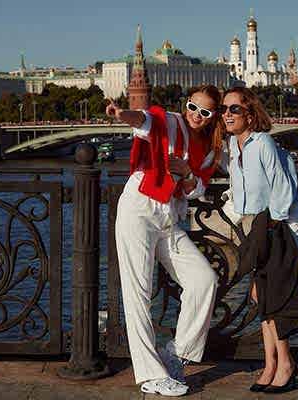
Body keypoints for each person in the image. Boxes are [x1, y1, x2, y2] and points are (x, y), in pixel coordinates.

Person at [106, 85, 223, 397]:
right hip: (140, 209)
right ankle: (150, 374)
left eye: (204, 112)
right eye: (192, 107)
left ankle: (176, 354)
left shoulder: (209, 148)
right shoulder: (170, 121)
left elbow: (197, 189)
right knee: (139, 293)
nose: (196, 115)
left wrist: (186, 172)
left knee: (203, 281)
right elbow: (145, 121)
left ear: (213, 116)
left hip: (168, 218)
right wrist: (122, 114)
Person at [220, 87, 298, 394]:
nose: (227, 114)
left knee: (273, 296)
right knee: (261, 296)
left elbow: (282, 188)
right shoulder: (234, 146)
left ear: (250, 114)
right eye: (224, 109)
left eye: (234, 109)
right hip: (255, 226)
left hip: (277, 225)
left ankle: (285, 364)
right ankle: (271, 364)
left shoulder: (263, 142)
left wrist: (271, 227)